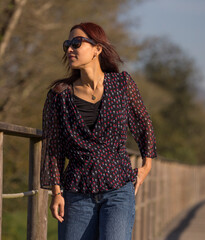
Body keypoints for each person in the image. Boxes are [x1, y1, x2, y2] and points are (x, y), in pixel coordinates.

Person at [40, 22, 157, 240]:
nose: (69, 49)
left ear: (97, 49)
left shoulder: (122, 84)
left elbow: (143, 124)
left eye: (76, 43)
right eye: (67, 44)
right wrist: (56, 193)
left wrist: (146, 166)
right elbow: (52, 148)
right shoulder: (59, 95)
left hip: (118, 190)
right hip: (77, 193)